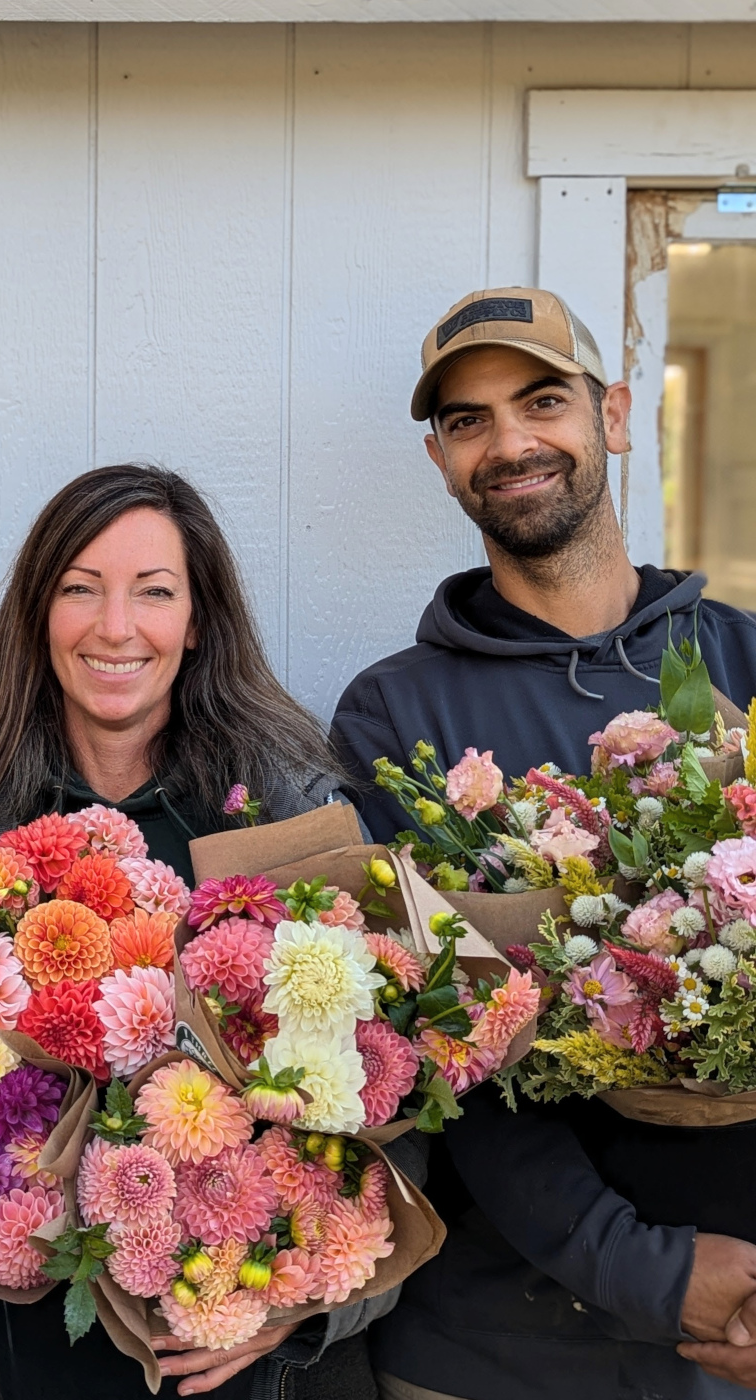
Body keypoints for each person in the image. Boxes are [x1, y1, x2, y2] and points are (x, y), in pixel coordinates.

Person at [0, 463, 422, 1400]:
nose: (115, 627)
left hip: (224, 1350)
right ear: (37, 613)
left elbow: (390, 1072)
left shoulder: (288, 801)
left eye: (153, 593)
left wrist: (301, 1310)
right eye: (80, 589)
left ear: (199, 620)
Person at [330, 287, 756, 1399]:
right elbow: (444, 1043)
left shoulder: (744, 668)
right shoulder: (390, 726)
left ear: (612, 414)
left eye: (540, 399)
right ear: (437, 457)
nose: (508, 441)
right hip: (493, 1348)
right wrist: (647, 1271)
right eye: (466, 420)